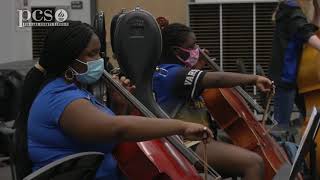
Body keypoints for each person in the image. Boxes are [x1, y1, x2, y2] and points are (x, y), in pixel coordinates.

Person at [22, 21, 213, 180]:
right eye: (91, 54)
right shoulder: (60, 98)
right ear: (68, 59)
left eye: (99, 53)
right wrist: (182, 127)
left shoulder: (77, 90)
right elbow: (118, 129)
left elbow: (107, 136)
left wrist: (119, 104)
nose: (99, 61)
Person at [152, 23, 272, 180]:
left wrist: (196, 67)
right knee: (254, 163)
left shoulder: (174, 71)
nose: (198, 50)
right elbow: (218, 79)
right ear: (176, 51)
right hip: (186, 144)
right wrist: (254, 78)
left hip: (197, 137)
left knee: (242, 147)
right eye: (193, 45)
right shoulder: (173, 74)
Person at [269, 0, 320, 131]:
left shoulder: (289, 9)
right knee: (281, 126)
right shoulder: (292, 10)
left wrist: (317, 8)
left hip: (294, 76)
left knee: (311, 118)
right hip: (286, 76)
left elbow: (311, 28)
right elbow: (305, 33)